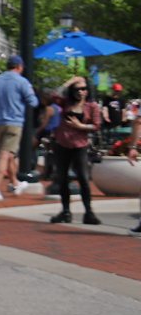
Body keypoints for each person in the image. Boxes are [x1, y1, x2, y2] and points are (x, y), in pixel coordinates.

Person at [0, 54, 38, 202]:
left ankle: (15, 183)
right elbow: (33, 102)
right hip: (14, 122)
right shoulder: (22, 82)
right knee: (4, 155)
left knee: (9, 154)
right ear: (19, 67)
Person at [47, 76, 103, 226]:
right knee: (62, 178)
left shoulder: (92, 106)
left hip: (80, 145)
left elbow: (97, 125)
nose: (81, 92)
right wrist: (69, 82)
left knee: (83, 179)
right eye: (77, 89)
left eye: (84, 89)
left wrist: (81, 126)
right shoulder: (65, 103)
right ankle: (65, 211)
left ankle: (88, 212)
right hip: (62, 144)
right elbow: (53, 95)